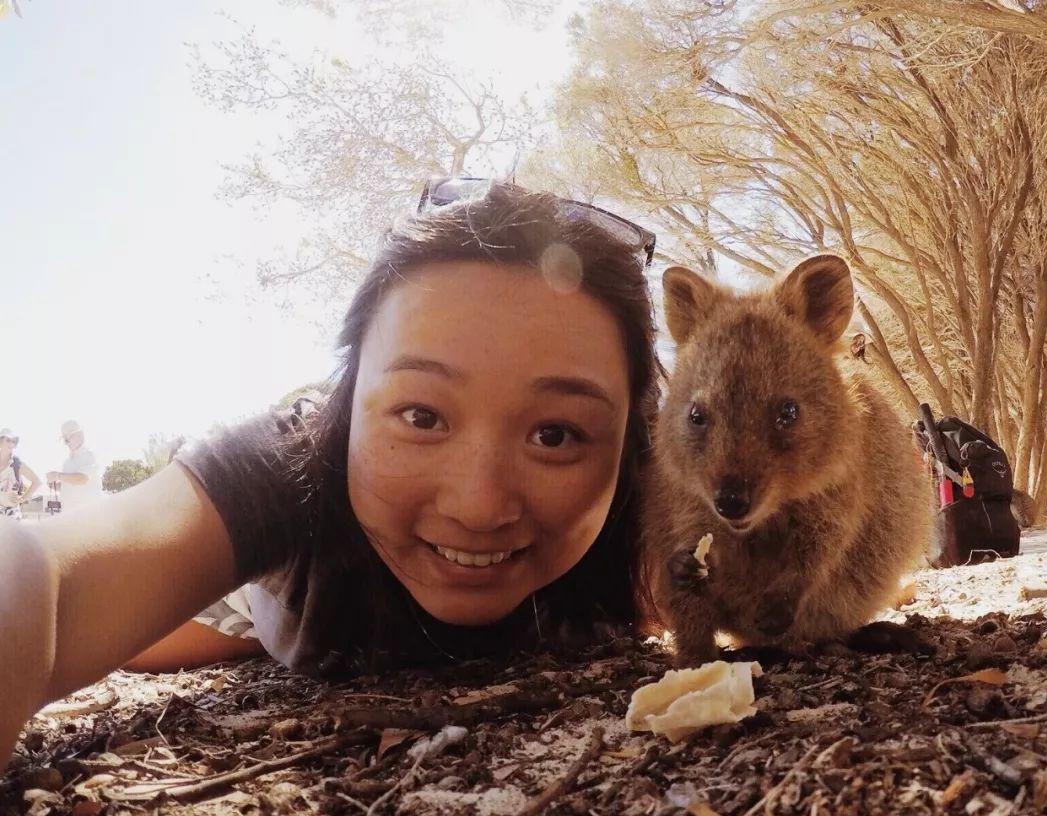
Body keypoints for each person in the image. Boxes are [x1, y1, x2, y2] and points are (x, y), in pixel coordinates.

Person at [0, 180, 661, 767]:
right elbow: (43, 573)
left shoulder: (668, 515)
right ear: (347, 404)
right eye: (421, 415)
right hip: (254, 601)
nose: (478, 506)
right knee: (141, 638)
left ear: (634, 440)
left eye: (556, 434)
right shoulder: (283, 467)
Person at [46, 419, 103, 514]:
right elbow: (72, 483)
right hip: (70, 515)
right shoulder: (67, 462)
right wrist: (56, 485)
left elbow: (83, 479)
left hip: (88, 515)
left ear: (80, 436)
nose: (66, 443)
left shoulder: (90, 455)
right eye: (65, 440)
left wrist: (57, 476)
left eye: (67, 439)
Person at [0, 429, 41, 519]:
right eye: (8, 440)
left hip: (13, 516)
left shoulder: (18, 464)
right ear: (0, 441)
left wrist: (22, 499)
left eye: (14, 441)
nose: (11, 444)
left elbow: (37, 482)